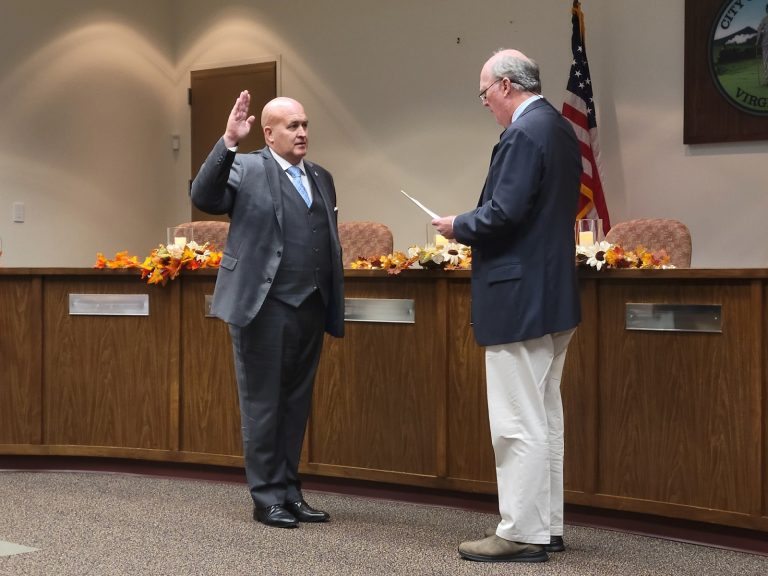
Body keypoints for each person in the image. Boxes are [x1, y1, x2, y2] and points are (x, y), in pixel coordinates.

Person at [432, 49, 582, 563]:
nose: (485, 104)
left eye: (484, 94)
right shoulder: (559, 128)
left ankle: (520, 532)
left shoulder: (522, 132)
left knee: (517, 422)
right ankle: (547, 526)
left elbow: (504, 213)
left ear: (504, 85)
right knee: (545, 418)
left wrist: (458, 225)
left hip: (519, 298)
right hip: (554, 296)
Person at [191, 92, 344, 529]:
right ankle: (266, 497)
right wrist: (227, 141)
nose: (302, 133)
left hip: (311, 305)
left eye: (305, 124)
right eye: (292, 126)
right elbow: (204, 195)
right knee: (263, 405)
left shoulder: (321, 176)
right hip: (263, 306)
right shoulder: (246, 167)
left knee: (296, 404)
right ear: (269, 132)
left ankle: (290, 491)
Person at [757, 4, 768, 85]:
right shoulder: (764, 19)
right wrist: (757, 41)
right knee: (766, 61)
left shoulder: (764, 19)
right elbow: (759, 30)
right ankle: (767, 79)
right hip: (765, 44)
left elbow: (759, 30)